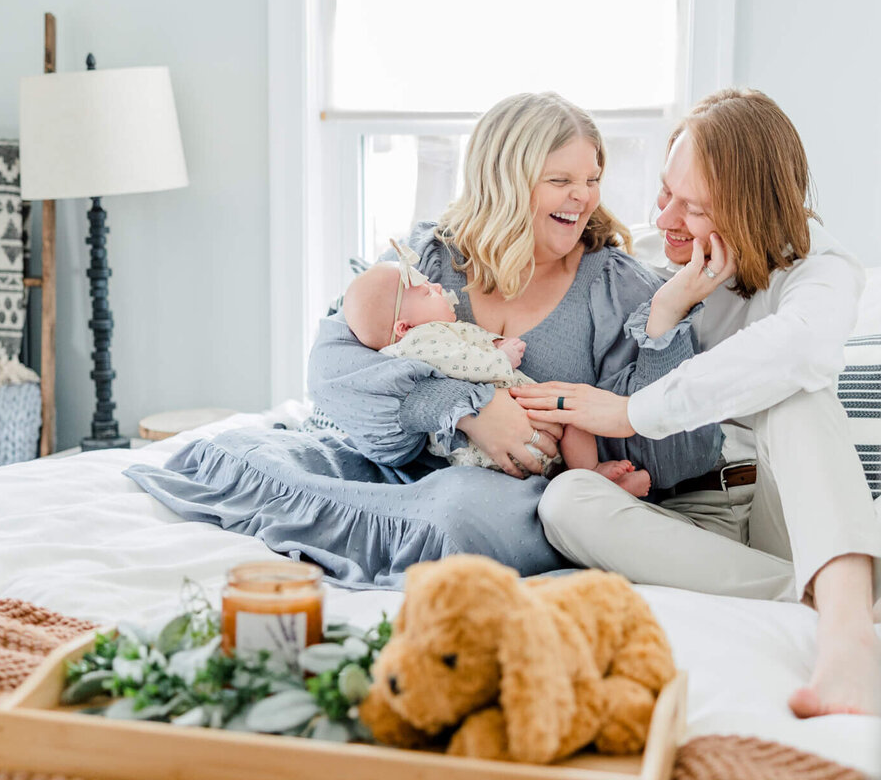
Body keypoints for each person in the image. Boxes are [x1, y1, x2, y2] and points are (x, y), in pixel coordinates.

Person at [125, 91, 720, 587]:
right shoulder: (430, 258)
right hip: (402, 466)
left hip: (513, 497)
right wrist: (465, 410)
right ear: (505, 182)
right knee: (243, 453)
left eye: (591, 179)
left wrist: (666, 324)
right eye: (559, 180)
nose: (583, 197)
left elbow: (678, 453)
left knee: (460, 510)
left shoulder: (619, 290)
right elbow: (332, 366)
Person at [514, 87, 881, 718]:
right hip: (687, 520)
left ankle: (848, 637)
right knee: (565, 503)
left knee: (795, 396)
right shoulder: (643, 264)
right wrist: (663, 314)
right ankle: (826, 597)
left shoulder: (818, 271)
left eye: (692, 208)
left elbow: (798, 350)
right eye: (664, 192)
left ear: (749, 211)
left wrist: (626, 413)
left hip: (779, 509)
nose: (664, 219)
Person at [340, 245, 652, 495]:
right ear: (403, 326)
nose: (436, 285)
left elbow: (466, 345)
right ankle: (588, 478)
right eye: (425, 292)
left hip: (509, 439)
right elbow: (461, 363)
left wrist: (493, 342)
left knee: (572, 416)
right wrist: (500, 359)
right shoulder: (419, 341)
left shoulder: (433, 335)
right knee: (571, 417)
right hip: (490, 438)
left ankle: (586, 482)